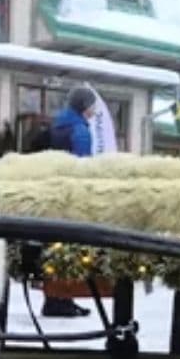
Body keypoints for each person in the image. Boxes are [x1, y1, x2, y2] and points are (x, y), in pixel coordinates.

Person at [42, 86, 104, 316]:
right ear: (84, 106)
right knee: (70, 247)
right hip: (71, 195)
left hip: (52, 191)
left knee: (53, 246)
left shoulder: (57, 125)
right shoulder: (80, 131)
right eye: (92, 105)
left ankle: (53, 298)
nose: (94, 110)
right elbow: (82, 167)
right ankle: (63, 300)